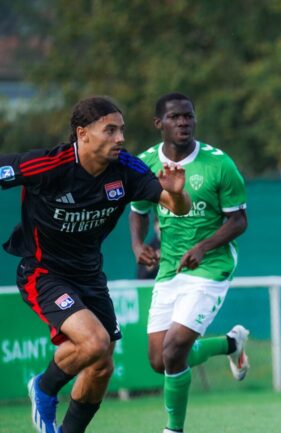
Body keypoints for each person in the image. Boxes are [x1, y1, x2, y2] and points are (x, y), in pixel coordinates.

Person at [6, 96, 191, 433]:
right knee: (94, 342)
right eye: (110, 130)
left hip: (89, 276)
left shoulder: (127, 169)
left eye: (121, 130)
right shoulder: (48, 165)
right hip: (43, 272)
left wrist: (177, 194)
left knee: (102, 365)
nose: (120, 138)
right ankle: (44, 388)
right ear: (83, 133)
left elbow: (176, 207)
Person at [129, 93, 249, 433]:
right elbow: (138, 212)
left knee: (175, 347)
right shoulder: (145, 164)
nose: (183, 122)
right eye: (175, 117)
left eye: (188, 116)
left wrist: (203, 247)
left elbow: (239, 221)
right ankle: (231, 344)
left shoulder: (219, 164)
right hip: (169, 268)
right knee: (159, 361)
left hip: (211, 266)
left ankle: (173, 429)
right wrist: (138, 245)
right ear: (159, 124)